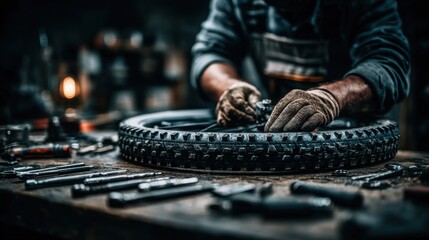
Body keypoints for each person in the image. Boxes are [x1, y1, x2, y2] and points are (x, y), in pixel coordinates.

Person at [190, 0, 410, 132]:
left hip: (356, 144)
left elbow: (388, 63)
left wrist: (332, 97)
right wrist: (228, 87)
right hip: (273, 143)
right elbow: (210, 54)